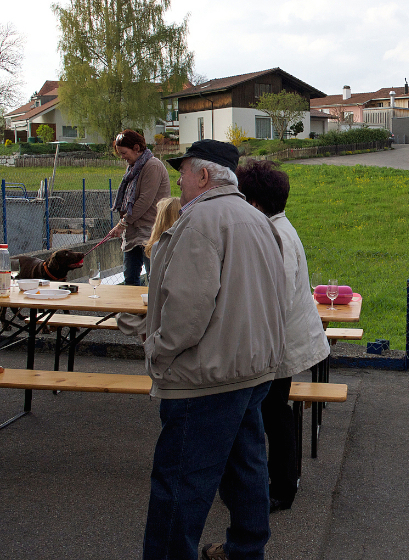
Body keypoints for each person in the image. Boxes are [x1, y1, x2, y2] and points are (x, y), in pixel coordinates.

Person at [142, 140, 286, 560]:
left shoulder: (200, 220)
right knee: (246, 470)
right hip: (253, 368)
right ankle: (247, 550)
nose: (180, 180)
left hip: (206, 374)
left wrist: (159, 351)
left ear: (203, 176)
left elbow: (187, 309)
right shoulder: (258, 219)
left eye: (183, 172)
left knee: (180, 484)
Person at [236, 159, 329, 512]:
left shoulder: (275, 236)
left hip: (279, 343)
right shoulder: (278, 227)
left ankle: (282, 488)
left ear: (255, 203)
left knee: (273, 413)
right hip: (283, 340)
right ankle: (279, 482)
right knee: (274, 412)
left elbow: (275, 299)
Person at [109, 129, 171, 286]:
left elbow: (144, 201)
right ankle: (131, 311)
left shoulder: (153, 166)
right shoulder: (133, 167)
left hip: (150, 231)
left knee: (154, 279)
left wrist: (123, 223)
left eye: (124, 153)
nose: (122, 158)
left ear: (136, 148)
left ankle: (150, 310)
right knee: (130, 278)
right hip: (133, 232)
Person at [116, 197, 181, 343]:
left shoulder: (159, 247)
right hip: (176, 309)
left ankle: (150, 347)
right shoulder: (186, 243)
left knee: (123, 317)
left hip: (165, 311)